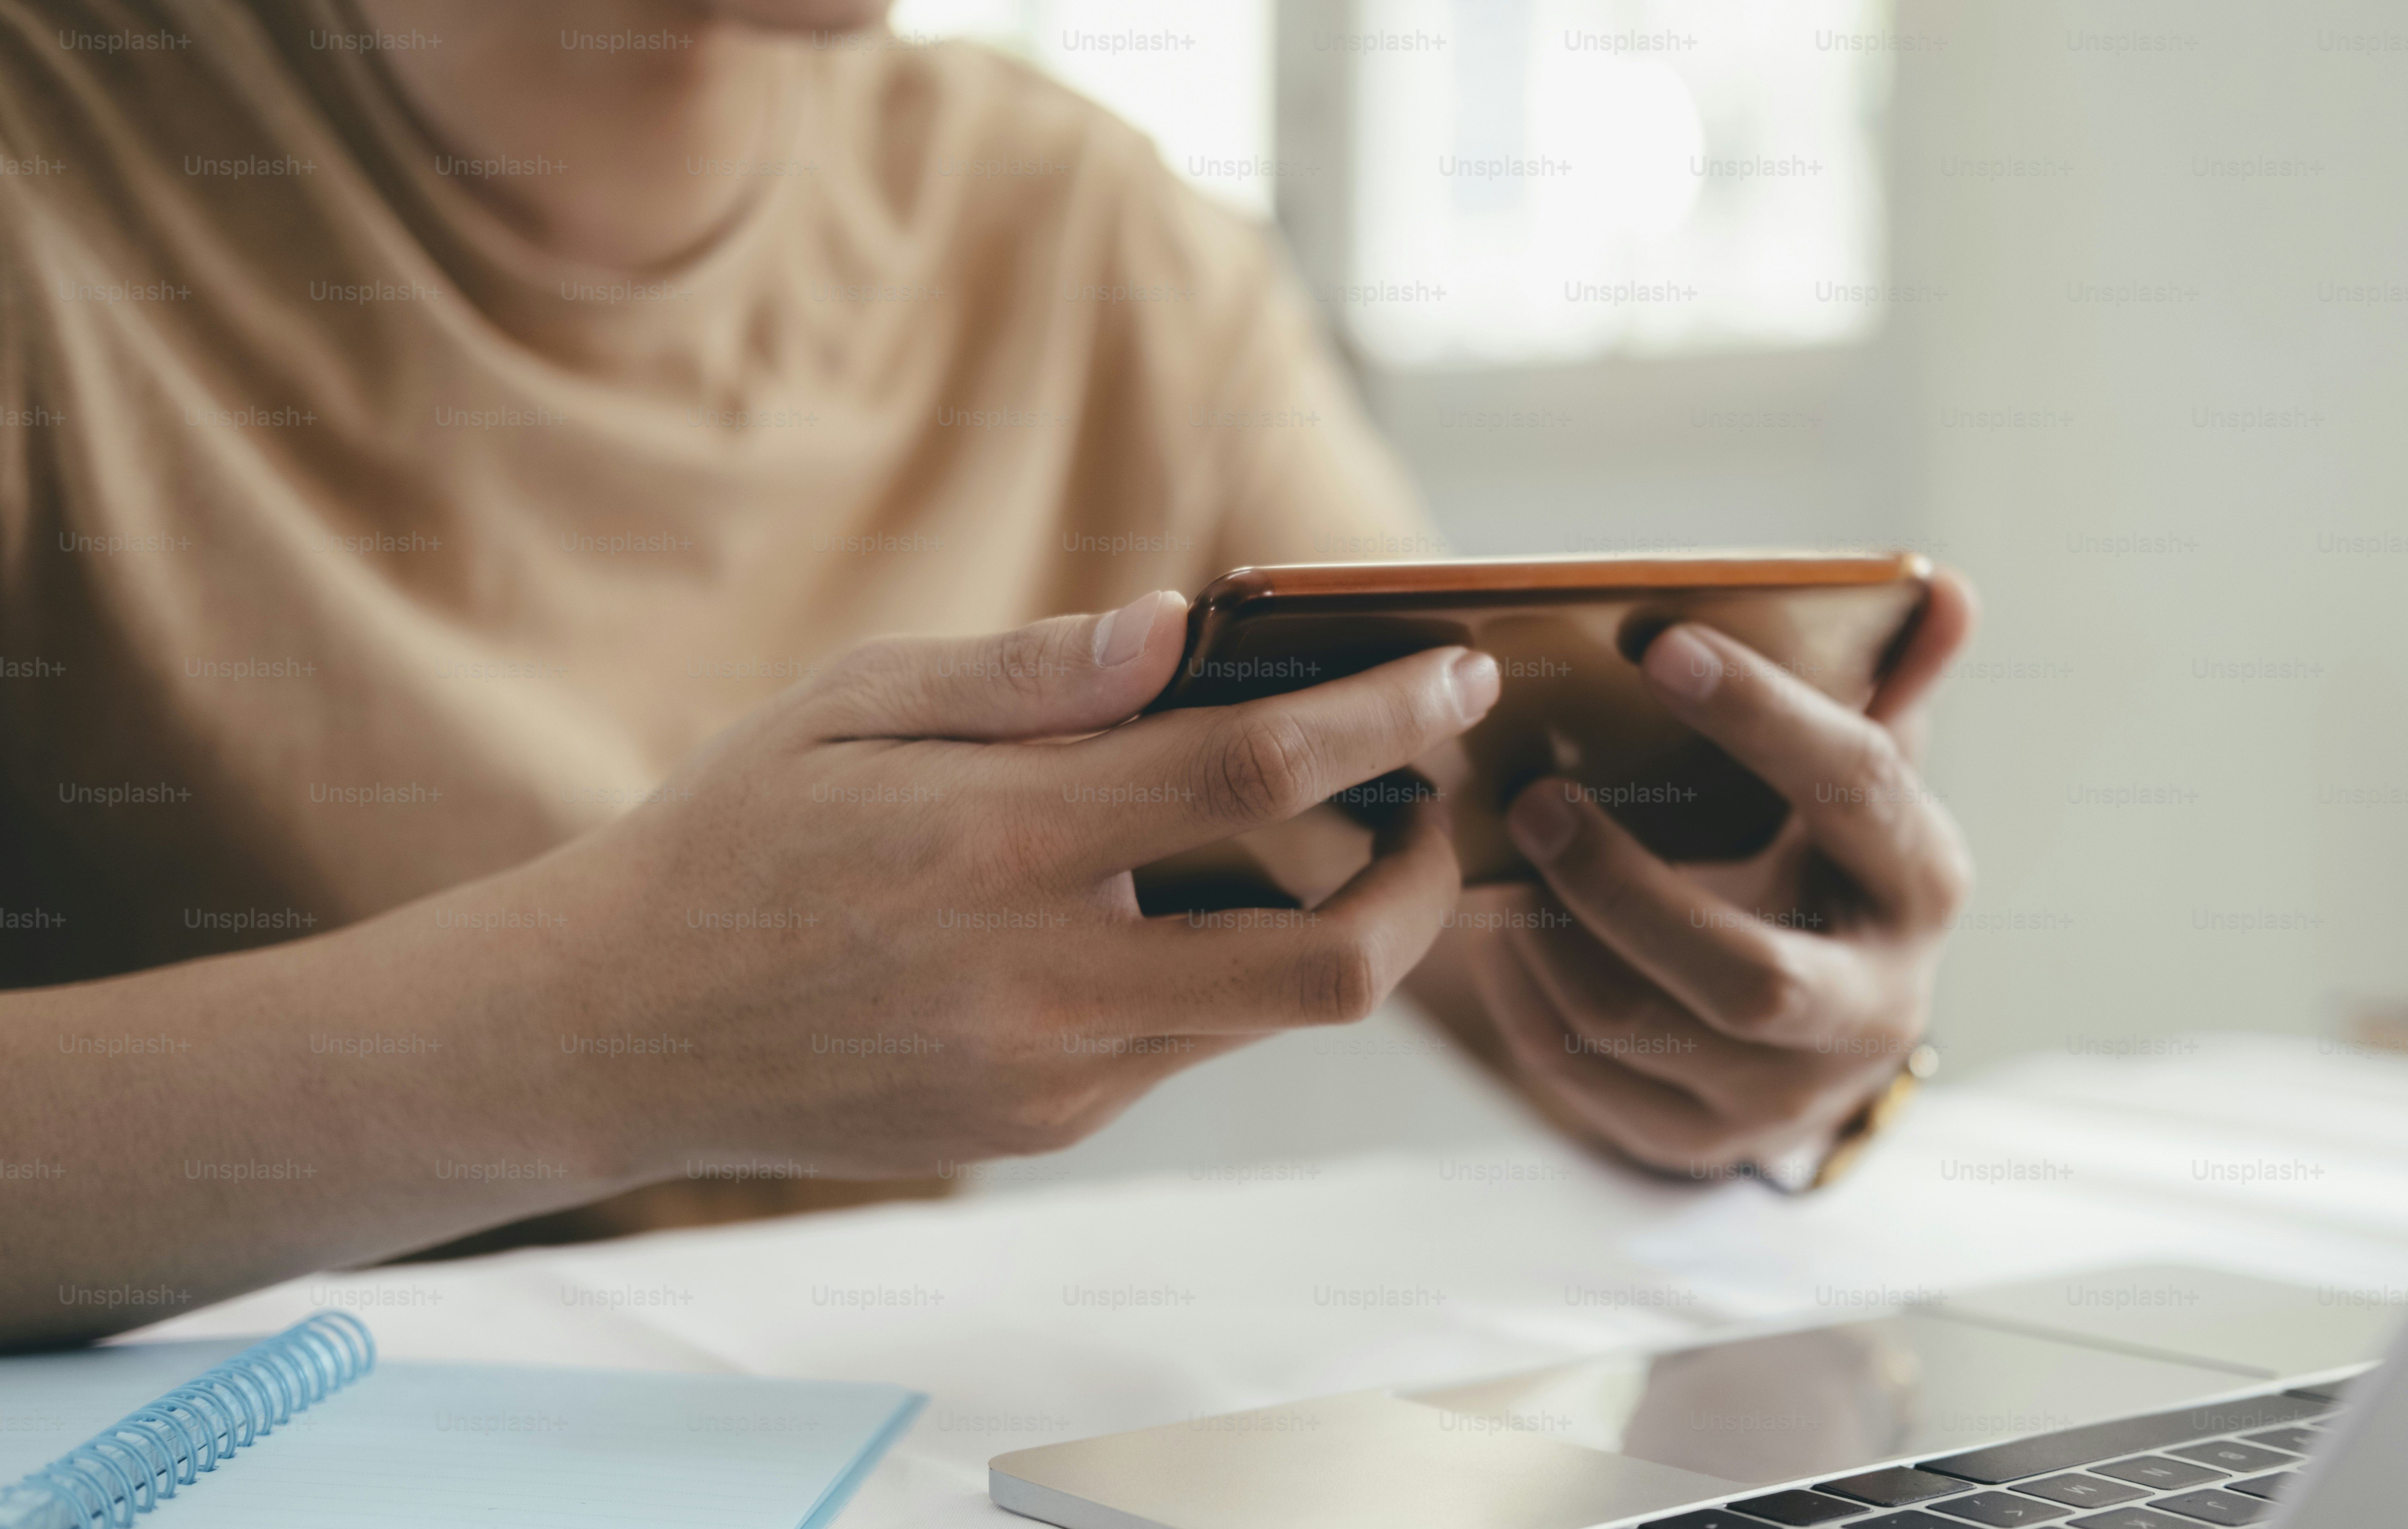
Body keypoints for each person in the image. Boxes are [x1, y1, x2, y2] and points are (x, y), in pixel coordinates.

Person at [0, 0, 1974, 1346]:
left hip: (832, 1521)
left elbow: (1470, 920)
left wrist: (1748, 1030)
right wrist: (590, 1030)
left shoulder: (1088, 229)